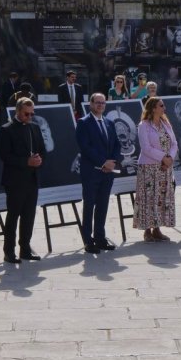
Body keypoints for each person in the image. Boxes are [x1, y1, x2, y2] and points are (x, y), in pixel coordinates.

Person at [0, 98, 46, 262]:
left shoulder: (34, 127)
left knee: (29, 216)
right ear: (18, 111)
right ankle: (9, 251)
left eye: (32, 114)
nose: (30, 117)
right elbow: (5, 156)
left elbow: (42, 149)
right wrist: (26, 161)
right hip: (15, 181)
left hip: (32, 179)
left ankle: (25, 248)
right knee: (13, 216)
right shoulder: (7, 129)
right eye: (27, 114)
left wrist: (39, 160)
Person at [75, 93, 120, 253]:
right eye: (98, 103)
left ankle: (100, 238)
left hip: (108, 172)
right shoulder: (83, 123)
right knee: (89, 206)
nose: (100, 105)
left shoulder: (109, 122)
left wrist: (112, 161)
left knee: (103, 205)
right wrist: (103, 162)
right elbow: (85, 147)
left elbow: (116, 144)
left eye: (103, 103)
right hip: (91, 172)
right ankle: (88, 240)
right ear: (91, 104)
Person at [135, 96, 178, 241]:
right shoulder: (143, 125)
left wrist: (170, 158)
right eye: (161, 105)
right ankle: (147, 230)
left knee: (161, 198)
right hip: (149, 168)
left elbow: (174, 144)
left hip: (165, 168)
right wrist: (163, 158)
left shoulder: (166, 123)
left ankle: (157, 229)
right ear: (153, 108)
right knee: (149, 197)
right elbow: (146, 148)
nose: (163, 108)